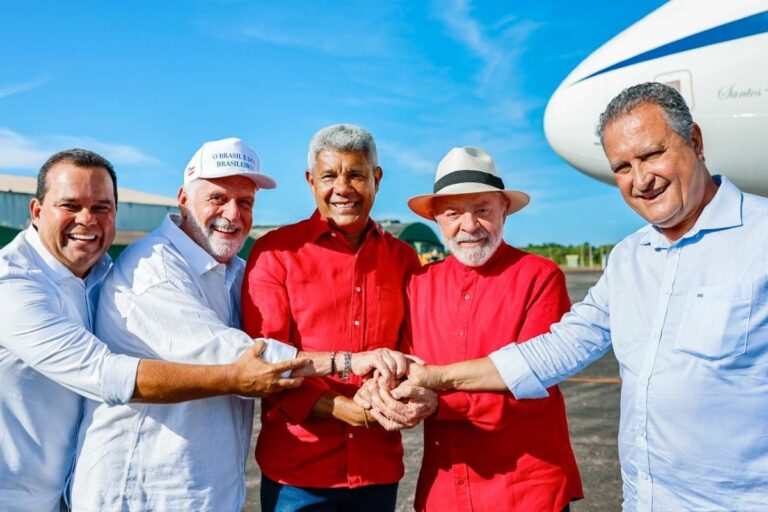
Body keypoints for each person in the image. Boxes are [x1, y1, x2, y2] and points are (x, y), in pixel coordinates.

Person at [406, 82, 768, 511]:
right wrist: (433, 377)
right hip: (646, 500)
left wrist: (434, 390)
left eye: (653, 154)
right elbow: (558, 349)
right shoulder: (629, 258)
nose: (642, 179)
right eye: (623, 166)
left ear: (695, 141)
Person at [68, 138, 408, 511]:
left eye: (245, 202)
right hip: (144, 488)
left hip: (209, 487)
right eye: (217, 198)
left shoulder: (233, 271)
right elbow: (241, 357)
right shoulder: (153, 269)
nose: (232, 213)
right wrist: (347, 364)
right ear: (183, 198)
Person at [0, 148, 307, 512]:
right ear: (36, 211)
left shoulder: (98, 272)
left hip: (60, 492)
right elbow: (104, 373)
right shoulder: (13, 286)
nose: (87, 219)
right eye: (70, 205)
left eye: (101, 207)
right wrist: (237, 376)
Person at [357, 146, 583, 511]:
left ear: (504, 209)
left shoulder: (540, 277)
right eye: (453, 213)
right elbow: (406, 367)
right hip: (446, 490)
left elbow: (532, 382)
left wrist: (436, 404)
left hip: (526, 489)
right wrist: (381, 389)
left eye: (482, 210)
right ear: (436, 219)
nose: (469, 226)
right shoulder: (419, 283)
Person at [241, 124, 428, 511]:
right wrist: (341, 409)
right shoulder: (275, 252)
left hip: (378, 468)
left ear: (376, 178)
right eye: (329, 175)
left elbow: (410, 349)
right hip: (299, 473)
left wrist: (387, 397)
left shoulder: (404, 259)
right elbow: (267, 358)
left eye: (356, 175)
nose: (342, 188)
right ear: (311, 181)